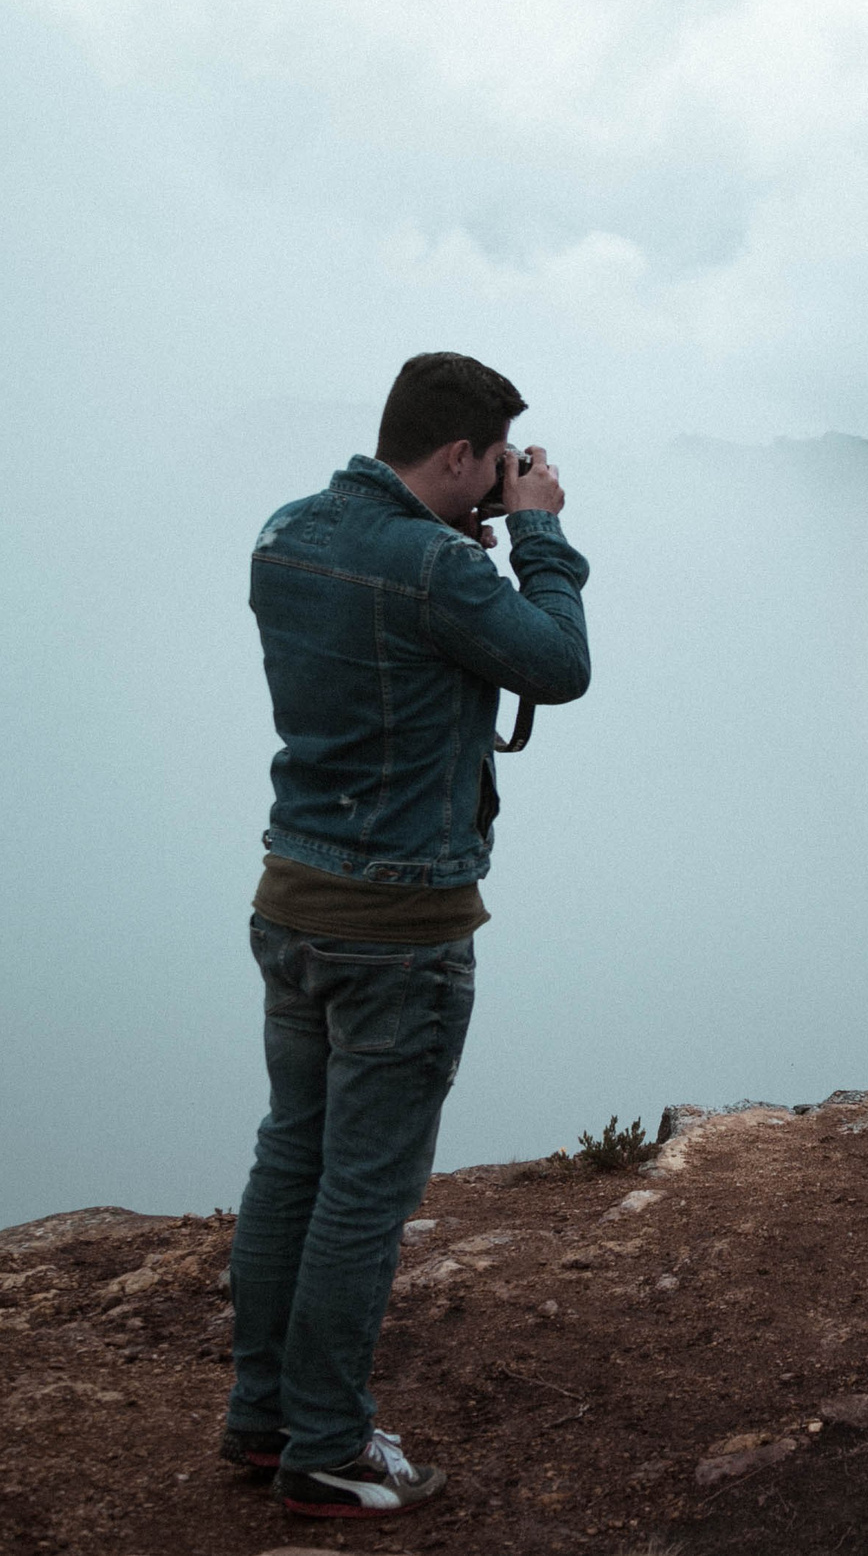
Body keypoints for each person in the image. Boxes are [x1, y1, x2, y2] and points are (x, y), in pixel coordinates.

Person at [224, 352, 590, 1519]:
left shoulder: (286, 531)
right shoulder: (437, 565)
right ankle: (326, 1445)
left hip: (293, 896)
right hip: (403, 923)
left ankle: (263, 1414)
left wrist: (464, 550)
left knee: (293, 1157)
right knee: (364, 1194)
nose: (500, 481)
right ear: (457, 456)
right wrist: (535, 538)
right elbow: (560, 666)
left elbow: (385, 640)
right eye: (494, 466)